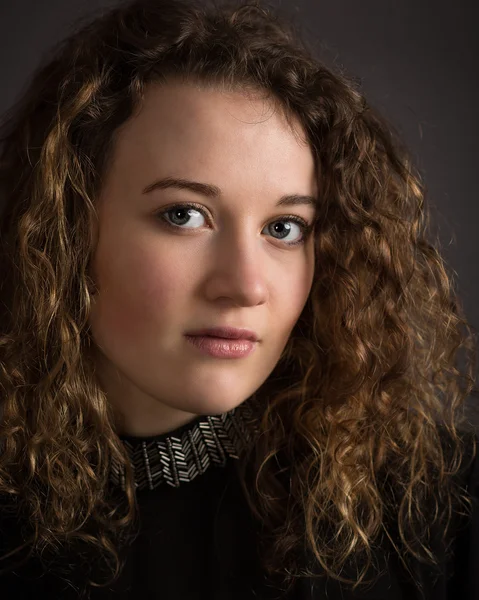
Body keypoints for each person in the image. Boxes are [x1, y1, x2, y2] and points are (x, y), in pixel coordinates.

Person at [0, 0, 477, 598]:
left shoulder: (439, 510)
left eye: (284, 228)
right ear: (63, 228)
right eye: (184, 215)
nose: (247, 286)